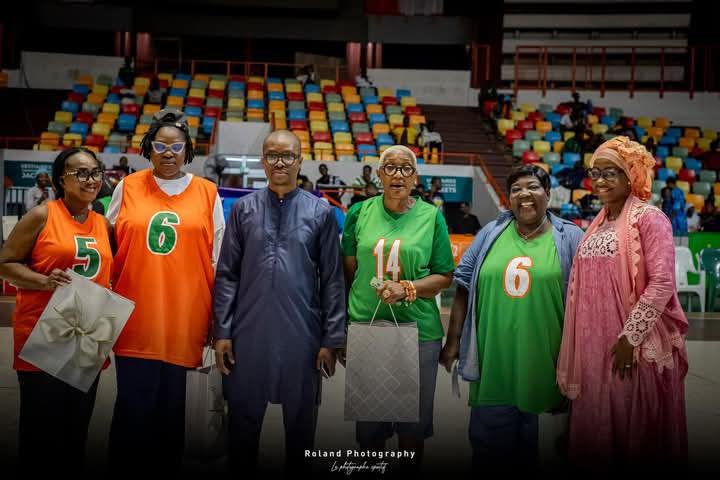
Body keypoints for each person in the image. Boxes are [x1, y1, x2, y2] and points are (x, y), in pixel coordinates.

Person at [213, 130, 345, 473]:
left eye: (288, 156)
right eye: (272, 155)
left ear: (301, 161)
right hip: (248, 334)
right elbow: (227, 275)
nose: (280, 162)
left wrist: (332, 339)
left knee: (301, 431)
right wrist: (222, 332)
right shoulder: (243, 210)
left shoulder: (320, 213)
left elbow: (333, 279)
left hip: (302, 336)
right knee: (241, 428)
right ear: (262, 161)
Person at [441, 164, 583, 470]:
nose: (524, 194)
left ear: (548, 193)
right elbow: (463, 286)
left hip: (547, 367)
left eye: (532, 187)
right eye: (516, 189)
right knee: (489, 453)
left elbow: (587, 301)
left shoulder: (571, 237)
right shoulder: (491, 233)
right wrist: (452, 343)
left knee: (543, 453)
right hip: (494, 366)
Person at [557, 136, 688, 468]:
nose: (599, 180)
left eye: (610, 172)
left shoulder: (650, 218)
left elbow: (661, 282)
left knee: (633, 426)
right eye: (595, 172)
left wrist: (631, 337)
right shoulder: (596, 224)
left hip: (632, 345)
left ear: (631, 175)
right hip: (595, 346)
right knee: (599, 423)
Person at [106, 109, 225, 470]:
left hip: (186, 322)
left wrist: (218, 322)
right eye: (160, 145)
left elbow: (219, 261)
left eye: (176, 146)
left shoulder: (208, 192)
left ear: (188, 149)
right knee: (132, 412)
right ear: (148, 147)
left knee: (174, 417)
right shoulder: (127, 186)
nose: (168, 152)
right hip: (135, 320)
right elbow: (105, 243)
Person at [341, 145, 455, 468]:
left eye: (406, 169)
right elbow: (349, 273)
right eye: (389, 168)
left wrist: (407, 288)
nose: (397, 175)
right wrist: (346, 330)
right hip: (369, 330)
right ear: (378, 175)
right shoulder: (358, 213)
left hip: (419, 334)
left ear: (415, 177)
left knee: (411, 433)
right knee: (370, 434)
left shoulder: (432, 217)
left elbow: (445, 276)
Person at [0, 147, 112, 469]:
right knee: (40, 435)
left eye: (95, 172)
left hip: (86, 339)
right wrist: (43, 281)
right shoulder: (42, 215)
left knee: (76, 431)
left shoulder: (104, 225)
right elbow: (5, 264)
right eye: (80, 173)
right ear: (61, 179)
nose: (90, 179)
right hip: (43, 336)